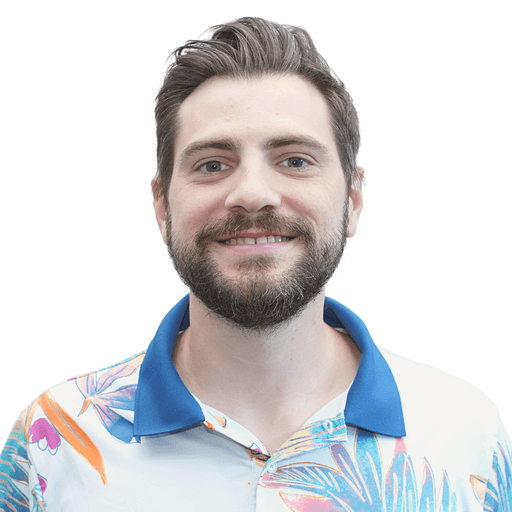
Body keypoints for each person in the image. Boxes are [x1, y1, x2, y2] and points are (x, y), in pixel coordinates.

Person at [0, 16, 509, 511]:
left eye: (294, 160)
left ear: (352, 199)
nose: (252, 194)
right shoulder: (53, 443)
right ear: (162, 207)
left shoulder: (467, 437)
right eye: (212, 164)